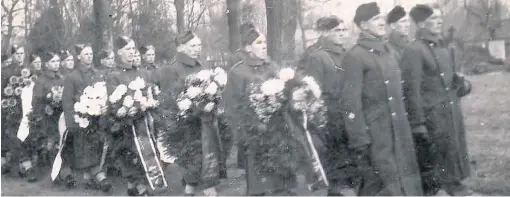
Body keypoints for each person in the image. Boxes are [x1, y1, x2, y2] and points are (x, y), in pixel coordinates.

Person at [341, 2, 423, 195]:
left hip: (399, 129)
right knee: (381, 183)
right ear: (363, 25)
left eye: (381, 18)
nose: (381, 22)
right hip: (376, 133)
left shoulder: (390, 52)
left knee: (404, 181)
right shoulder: (355, 56)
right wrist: (359, 138)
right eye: (375, 19)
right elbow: (350, 102)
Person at [224, 23, 305, 196]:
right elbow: (232, 107)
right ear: (247, 47)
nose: (263, 46)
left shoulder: (272, 67)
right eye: (258, 43)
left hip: (278, 131)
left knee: (284, 182)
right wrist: (242, 134)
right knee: (259, 184)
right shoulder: (237, 72)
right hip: (255, 135)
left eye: (264, 42)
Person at [401, 4, 473, 196]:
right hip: (431, 111)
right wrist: (417, 123)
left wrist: (462, 84)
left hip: (449, 108)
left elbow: (449, 77)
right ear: (421, 23)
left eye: (441, 17)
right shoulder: (414, 50)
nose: (440, 21)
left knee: (453, 146)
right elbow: (411, 89)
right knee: (436, 150)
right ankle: (437, 188)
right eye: (434, 18)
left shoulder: (443, 45)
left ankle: (454, 183)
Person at [298, 16, 358, 196]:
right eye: (336, 31)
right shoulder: (317, 57)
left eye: (343, 30)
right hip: (330, 116)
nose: (341, 34)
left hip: (349, 112)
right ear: (325, 33)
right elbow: (313, 91)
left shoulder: (348, 53)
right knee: (335, 170)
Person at [157, 30, 221, 196]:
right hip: (183, 119)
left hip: (203, 117)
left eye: (198, 45)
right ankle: (199, 186)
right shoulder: (171, 69)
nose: (196, 49)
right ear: (180, 47)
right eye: (192, 46)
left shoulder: (201, 66)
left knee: (204, 149)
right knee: (191, 151)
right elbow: (169, 97)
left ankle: (193, 186)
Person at [107, 36, 156, 196]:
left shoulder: (141, 71)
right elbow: (113, 99)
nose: (131, 52)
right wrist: (129, 106)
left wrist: (148, 100)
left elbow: (149, 89)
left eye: (133, 48)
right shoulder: (114, 75)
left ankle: (131, 186)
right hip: (125, 123)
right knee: (130, 154)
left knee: (145, 152)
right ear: (119, 52)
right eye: (128, 49)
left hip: (142, 120)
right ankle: (140, 187)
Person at [62, 44, 112, 192]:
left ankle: (92, 177)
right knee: (84, 149)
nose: (89, 56)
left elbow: (104, 94)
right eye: (85, 54)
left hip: (97, 119)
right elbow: (67, 102)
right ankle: (96, 177)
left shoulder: (98, 74)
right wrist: (71, 123)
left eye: (90, 53)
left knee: (97, 147)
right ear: (78, 56)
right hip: (80, 120)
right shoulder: (72, 77)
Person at [20, 52, 62, 182]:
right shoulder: (41, 81)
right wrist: (48, 106)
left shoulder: (61, 78)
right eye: (53, 62)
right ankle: (28, 168)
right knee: (38, 141)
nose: (56, 64)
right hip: (44, 117)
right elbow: (36, 102)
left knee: (57, 143)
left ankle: (58, 171)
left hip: (59, 116)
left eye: (57, 61)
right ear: (46, 64)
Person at [1, 45, 26, 176]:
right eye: (17, 54)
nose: (20, 56)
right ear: (12, 56)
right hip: (9, 108)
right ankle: (6, 164)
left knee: (22, 137)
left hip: (25, 108)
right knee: (10, 136)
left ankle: (24, 165)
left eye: (22, 53)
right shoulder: (5, 72)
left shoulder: (28, 71)